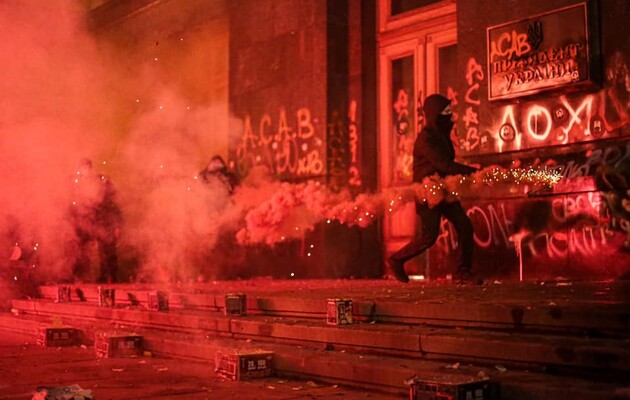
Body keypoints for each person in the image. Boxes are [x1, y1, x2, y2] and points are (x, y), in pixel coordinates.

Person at [388, 94, 478, 283]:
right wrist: (473, 171)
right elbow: (443, 164)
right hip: (427, 192)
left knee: (464, 225)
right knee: (429, 236)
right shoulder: (426, 138)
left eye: (450, 111)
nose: (450, 115)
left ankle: (463, 272)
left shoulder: (440, 135)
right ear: (435, 114)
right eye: (445, 112)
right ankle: (396, 259)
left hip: (443, 189)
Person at [69, 159, 122, 283]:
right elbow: (73, 204)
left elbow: (113, 203)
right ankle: (80, 277)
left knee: (107, 249)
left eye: (85, 168)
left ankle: (109, 277)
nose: (83, 171)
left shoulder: (101, 181)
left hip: (103, 220)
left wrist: (117, 224)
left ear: (90, 168)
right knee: (80, 249)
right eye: (81, 168)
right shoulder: (77, 184)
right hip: (85, 220)